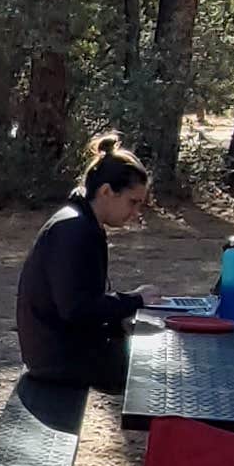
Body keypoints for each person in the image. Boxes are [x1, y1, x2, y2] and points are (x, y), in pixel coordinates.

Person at [15, 142, 152, 388]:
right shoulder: (74, 229)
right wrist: (135, 300)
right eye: (133, 202)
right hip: (57, 359)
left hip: (63, 349)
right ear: (107, 191)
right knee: (159, 370)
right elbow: (76, 309)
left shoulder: (81, 221)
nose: (135, 213)